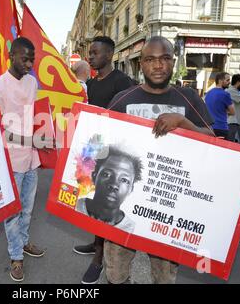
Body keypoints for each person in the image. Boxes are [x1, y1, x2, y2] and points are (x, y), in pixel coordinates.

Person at [106, 36, 214, 284]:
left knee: (164, 278)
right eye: (150, 59)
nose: (158, 65)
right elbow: (100, 143)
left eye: (164, 58)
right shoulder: (123, 99)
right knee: (115, 273)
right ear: (140, 64)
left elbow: (214, 141)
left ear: (173, 62)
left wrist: (183, 123)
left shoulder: (189, 98)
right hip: (125, 206)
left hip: (169, 205)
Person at [73, 36, 137, 285]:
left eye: (95, 52)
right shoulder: (91, 82)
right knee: (91, 200)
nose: (90, 56)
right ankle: (96, 241)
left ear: (110, 55)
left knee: (105, 205)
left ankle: (99, 260)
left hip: (112, 154)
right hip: (93, 148)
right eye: (89, 52)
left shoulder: (123, 82)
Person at [0, 37, 47, 282]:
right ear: (12, 56)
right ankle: (16, 257)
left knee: (28, 209)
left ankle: (23, 243)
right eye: (25, 58)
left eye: (32, 59)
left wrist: (45, 133)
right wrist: (29, 141)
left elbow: (34, 116)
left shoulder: (32, 82)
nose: (30, 63)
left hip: (32, 159)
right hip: (11, 161)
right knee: (12, 212)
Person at [75, 145, 143, 233]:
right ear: (94, 177)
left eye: (124, 180)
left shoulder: (131, 229)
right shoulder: (75, 207)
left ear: (131, 189)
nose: (114, 185)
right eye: (106, 174)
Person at [204, 72, 235, 138]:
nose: (229, 82)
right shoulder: (225, 94)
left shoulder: (208, 93)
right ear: (220, 81)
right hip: (221, 127)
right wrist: (225, 110)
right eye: (227, 80)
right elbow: (233, 112)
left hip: (208, 127)